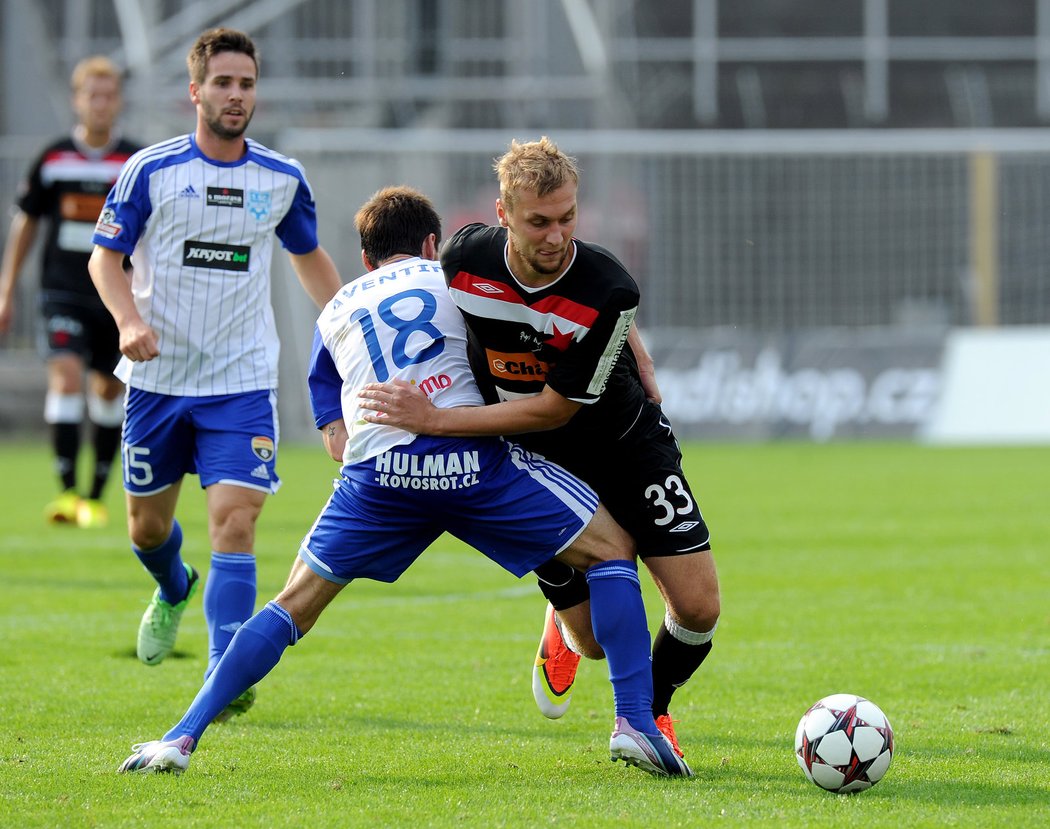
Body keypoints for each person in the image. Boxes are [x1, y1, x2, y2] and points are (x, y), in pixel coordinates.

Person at [116, 185, 691, 778]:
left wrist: (338, 434)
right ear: (432, 244)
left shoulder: (337, 306)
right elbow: (551, 313)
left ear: (366, 259)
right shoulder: (457, 278)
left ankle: (179, 739)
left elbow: (324, 386)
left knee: (293, 606)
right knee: (612, 549)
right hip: (470, 460)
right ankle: (634, 725)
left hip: (378, 478)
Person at [357, 137, 721, 759]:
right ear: (503, 214)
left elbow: (556, 404)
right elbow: (384, 306)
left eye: (568, 217)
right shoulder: (463, 260)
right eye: (539, 221)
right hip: (537, 456)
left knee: (697, 608)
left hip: (623, 441)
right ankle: (566, 625)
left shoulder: (609, 287)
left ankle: (650, 713)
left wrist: (437, 422)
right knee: (595, 642)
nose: (556, 236)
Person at [87, 28, 343, 717]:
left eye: (247, 84)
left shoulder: (281, 179)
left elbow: (309, 256)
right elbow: (104, 259)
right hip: (157, 381)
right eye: (224, 83)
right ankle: (173, 586)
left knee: (236, 519)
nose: (237, 96)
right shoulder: (151, 170)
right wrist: (128, 323)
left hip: (241, 383)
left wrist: (355, 327)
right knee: (146, 529)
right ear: (194, 92)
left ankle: (222, 671)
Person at [0, 56, 140, 529]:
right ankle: (64, 493)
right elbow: (27, 222)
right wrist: (6, 289)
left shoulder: (136, 162)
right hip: (61, 291)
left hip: (116, 294)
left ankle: (94, 497)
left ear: (119, 101)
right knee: (64, 376)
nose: (100, 104)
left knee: (106, 388)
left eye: (108, 95)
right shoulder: (54, 157)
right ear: (77, 101)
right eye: (91, 95)